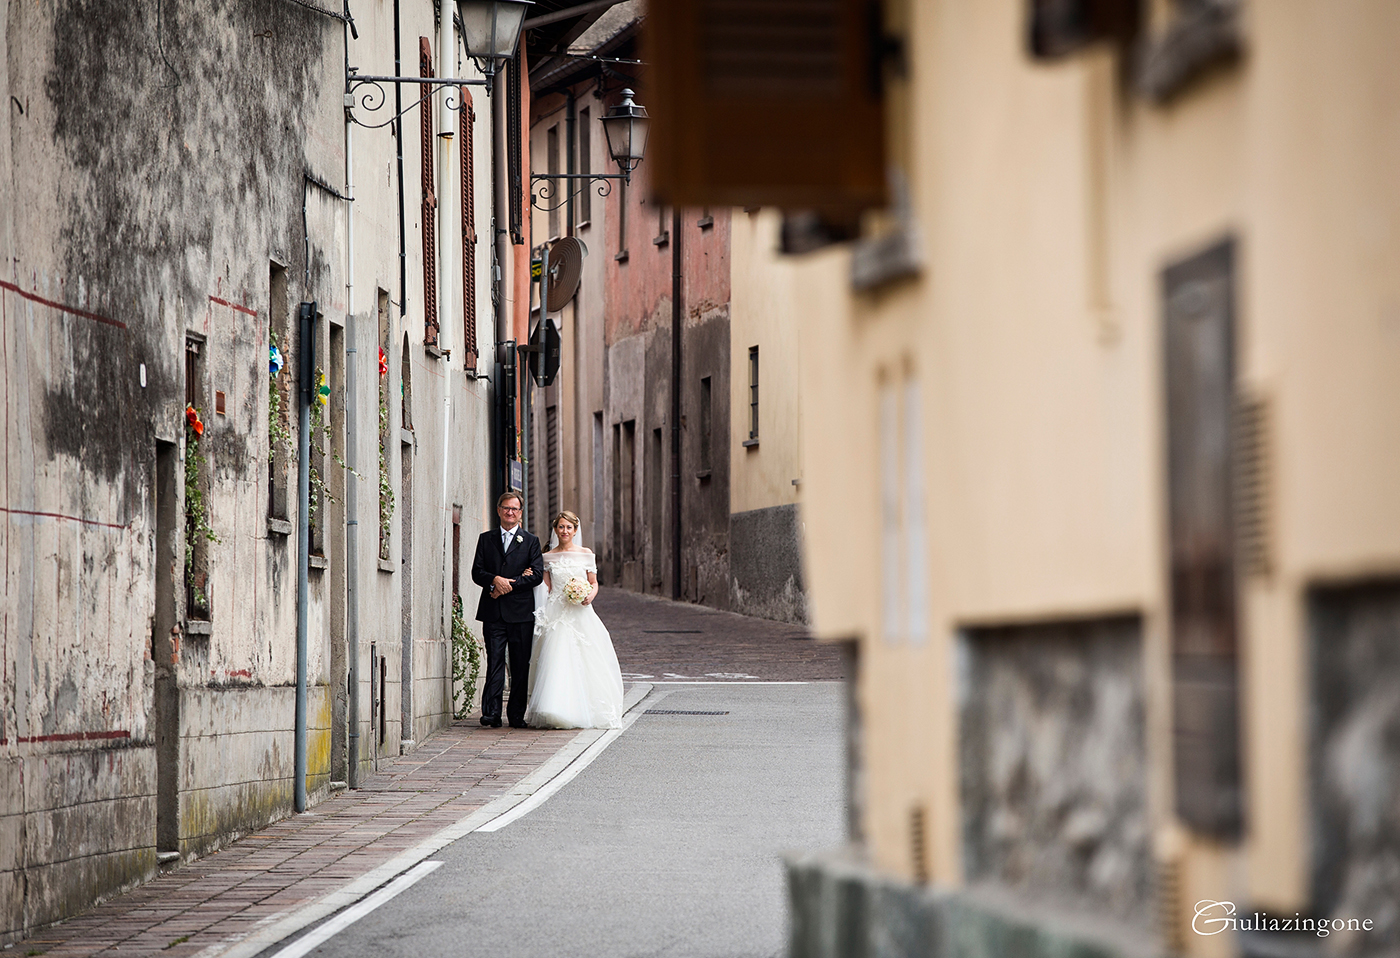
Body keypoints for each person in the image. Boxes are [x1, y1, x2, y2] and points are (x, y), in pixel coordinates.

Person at [524, 510, 625, 729]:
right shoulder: (548, 557)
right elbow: (547, 587)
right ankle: (554, 708)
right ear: (555, 529)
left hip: (580, 612)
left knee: (587, 657)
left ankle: (585, 707)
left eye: (569, 527)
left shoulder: (586, 554)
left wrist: (589, 594)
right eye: (561, 527)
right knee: (555, 658)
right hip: (557, 613)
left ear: (575, 530)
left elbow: (594, 582)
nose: (565, 531)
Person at [470, 492, 544, 728]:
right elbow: (477, 572)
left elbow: (537, 575)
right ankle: (491, 713)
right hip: (493, 612)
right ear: (499, 510)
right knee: (494, 662)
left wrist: (506, 586)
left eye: (514, 509)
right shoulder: (486, 539)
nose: (510, 512)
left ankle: (515, 714)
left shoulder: (531, 541)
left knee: (520, 665)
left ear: (520, 513)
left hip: (521, 614)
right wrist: (494, 580)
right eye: (506, 508)